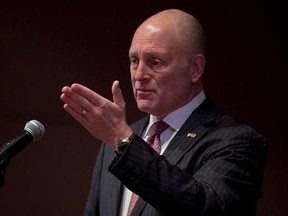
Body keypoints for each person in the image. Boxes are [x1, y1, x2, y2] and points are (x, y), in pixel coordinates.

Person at [60, 8, 267, 216]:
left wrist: (121, 138)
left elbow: (204, 208)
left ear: (195, 68)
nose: (139, 75)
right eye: (134, 61)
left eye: (155, 62)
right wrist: (120, 138)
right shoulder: (117, 140)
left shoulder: (236, 141)